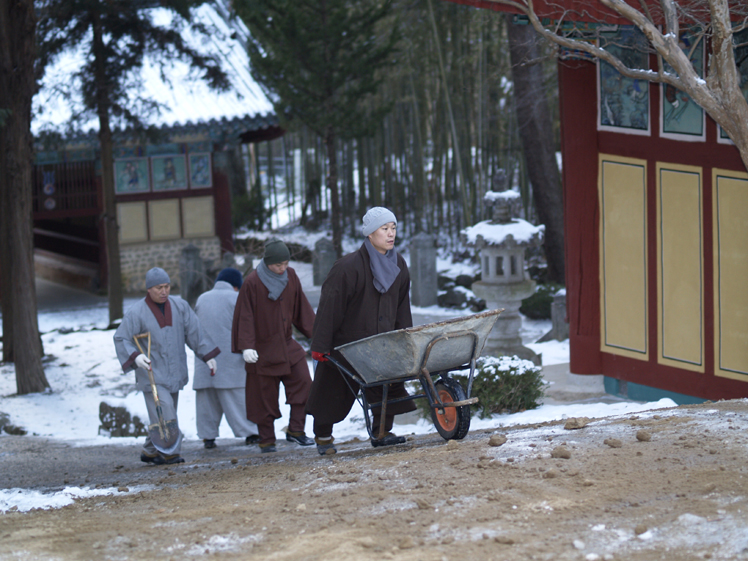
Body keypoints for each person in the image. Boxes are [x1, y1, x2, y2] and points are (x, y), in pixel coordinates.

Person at [307, 207, 416, 455]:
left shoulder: (399, 264)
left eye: (393, 228)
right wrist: (321, 346)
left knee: (386, 385)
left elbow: (402, 306)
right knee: (331, 390)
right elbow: (329, 307)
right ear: (369, 233)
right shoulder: (347, 267)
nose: (390, 234)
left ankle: (381, 432)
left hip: (382, 341)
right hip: (348, 345)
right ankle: (323, 436)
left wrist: (404, 337)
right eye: (384, 229)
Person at [114, 267, 219, 465]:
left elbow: (195, 332)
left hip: (175, 372)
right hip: (151, 374)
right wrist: (135, 357)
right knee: (166, 414)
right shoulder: (137, 313)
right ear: (148, 289)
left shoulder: (180, 306)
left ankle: (150, 451)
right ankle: (170, 452)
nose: (164, 291)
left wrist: (207, 355)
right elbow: (121, 338)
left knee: (162, 415)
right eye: (159, 288)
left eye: (167, 286)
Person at [231, 239, 316, 453]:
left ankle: (296, 430)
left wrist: (317, 334)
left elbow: (301, 308)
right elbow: (245, 316)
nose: (282, 268)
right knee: (263, 396)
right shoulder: (252, 282)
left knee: (303, 381)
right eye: (278, 265)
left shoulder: (291, 276)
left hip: (287, 345)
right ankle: (267, 439)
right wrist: (246, 346)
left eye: (286, 264)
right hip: (261, 350)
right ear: (267, 262)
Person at [193, 268, 260, 449]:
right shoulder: (236, 298)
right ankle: (250, 433)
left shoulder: (202, 298)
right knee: (237, 401)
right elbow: (246, 327)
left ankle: (208, 437)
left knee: (206, 403)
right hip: (231, 361)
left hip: (204, 361)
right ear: (236, 286)